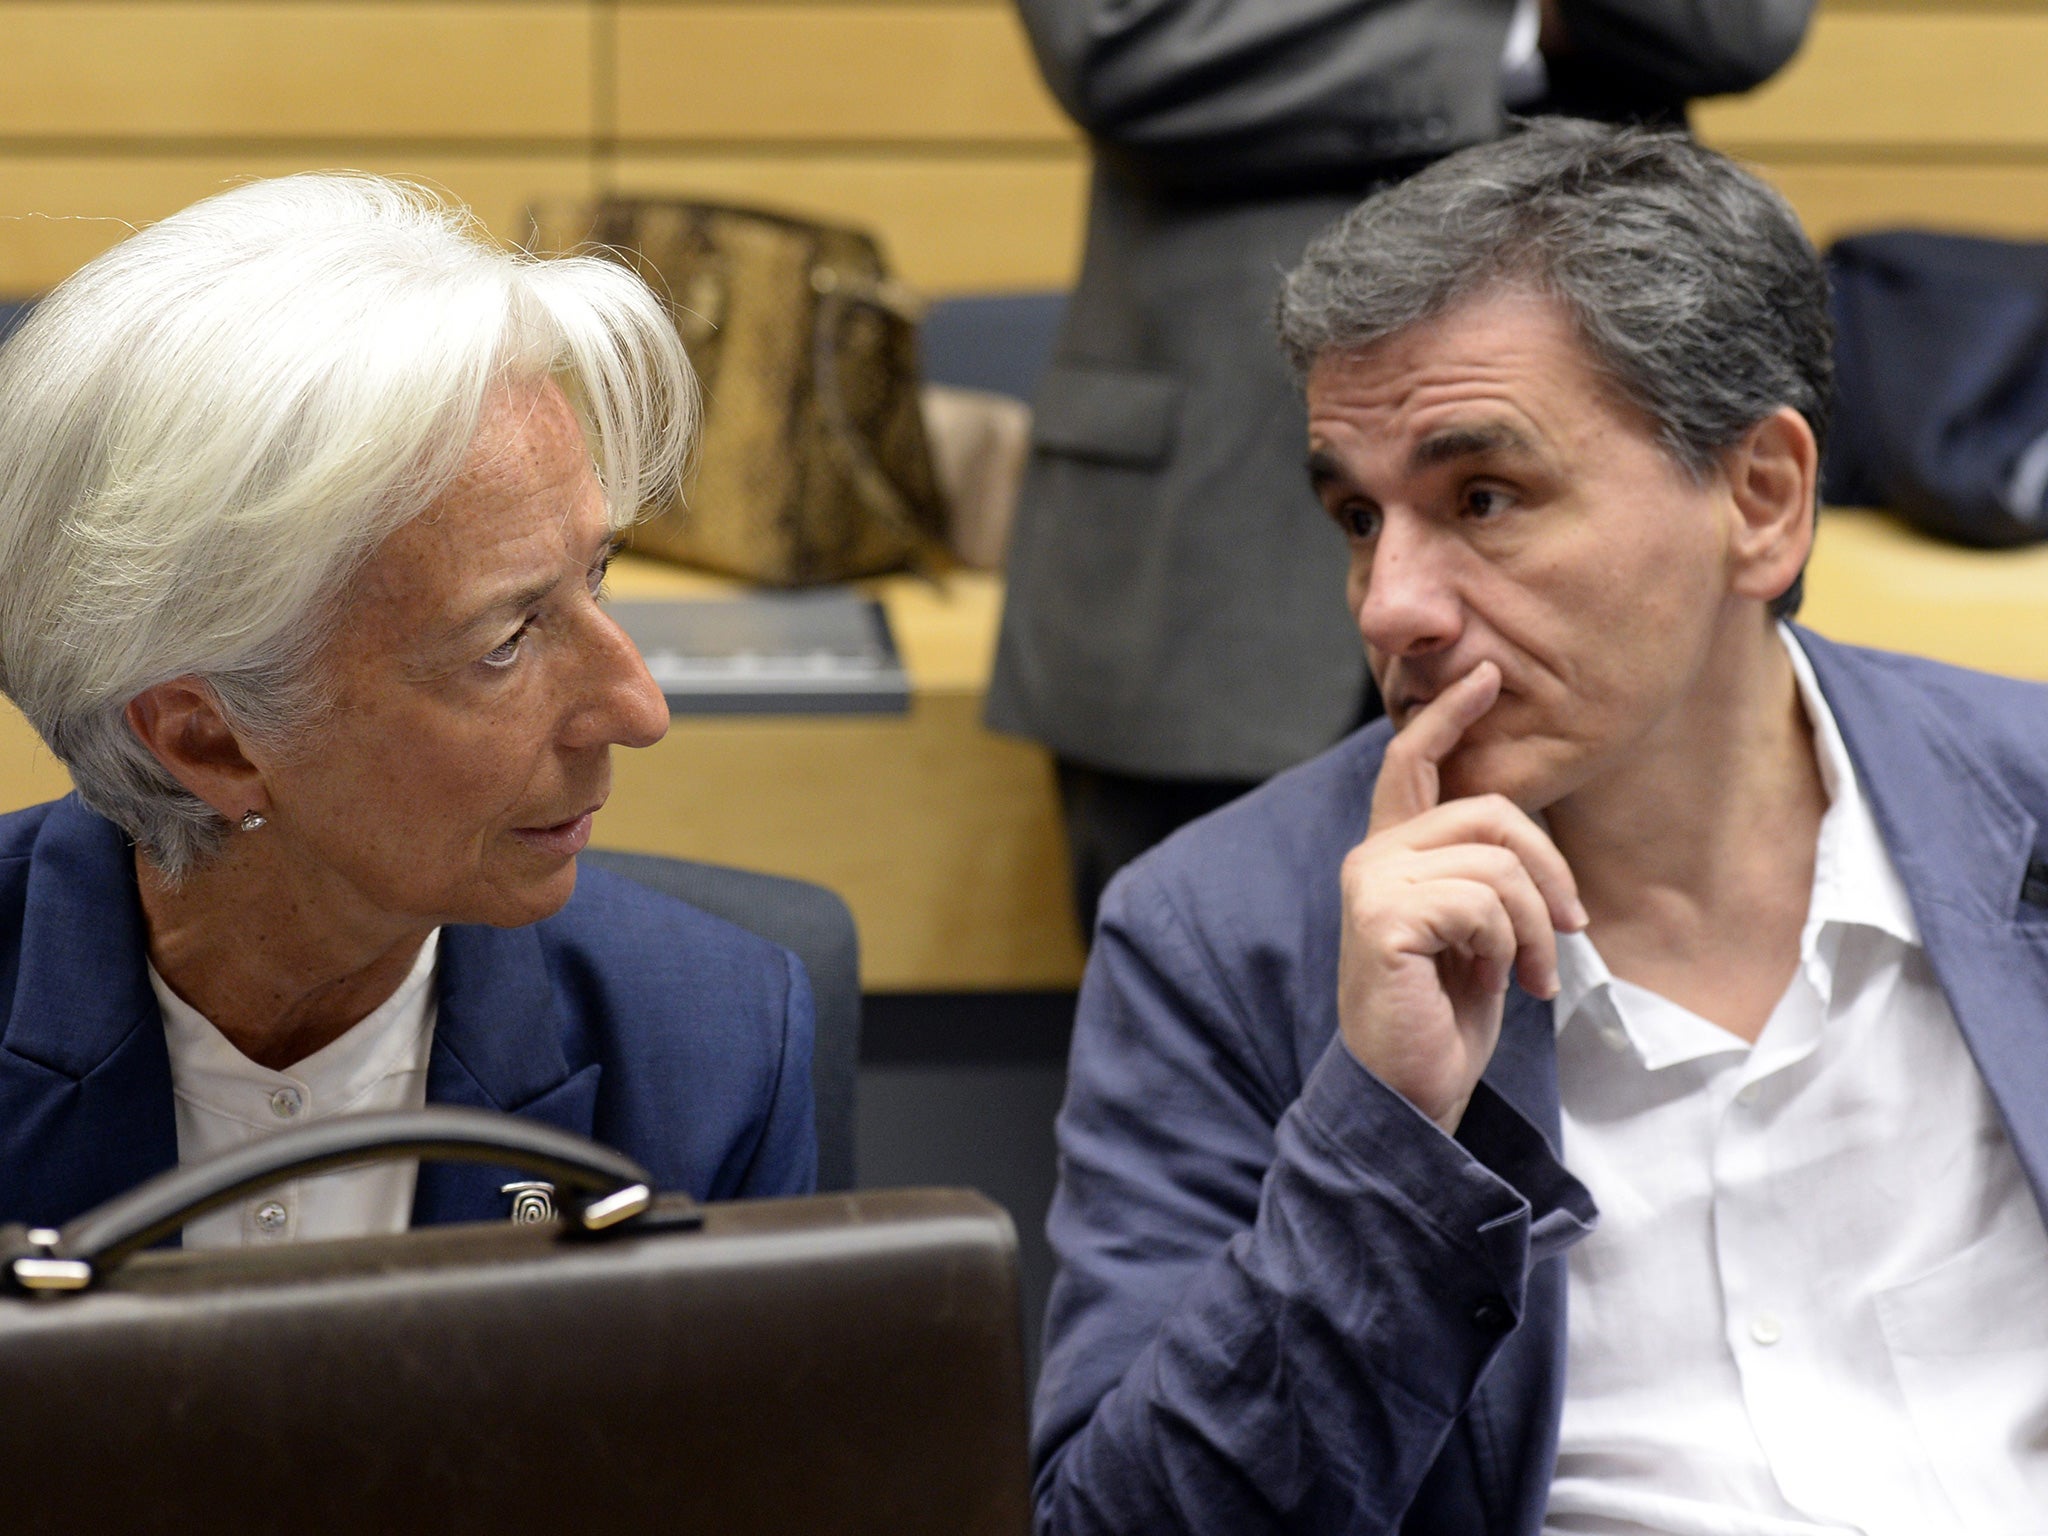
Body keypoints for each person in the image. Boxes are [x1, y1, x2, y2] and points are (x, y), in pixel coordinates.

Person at [1035, 120, 2048, 1534]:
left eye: (1484, 498)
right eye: (1355, 516)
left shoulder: (2026, 801)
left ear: (1761, 500)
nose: (1391, 604)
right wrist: (1383, 1138)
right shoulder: (1224, 932)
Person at [0, 174, 816, 1240]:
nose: (635, 706)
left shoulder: (713, 1047)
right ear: (207, 740)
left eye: (597, 575)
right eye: (506, 640)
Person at [991, 0, 1816, 936]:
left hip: (1610, 458)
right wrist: (1509, 20)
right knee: (1212, 988)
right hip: (1211, 532)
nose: (1391, 603)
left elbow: (1745, 24)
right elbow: (1121, 40)